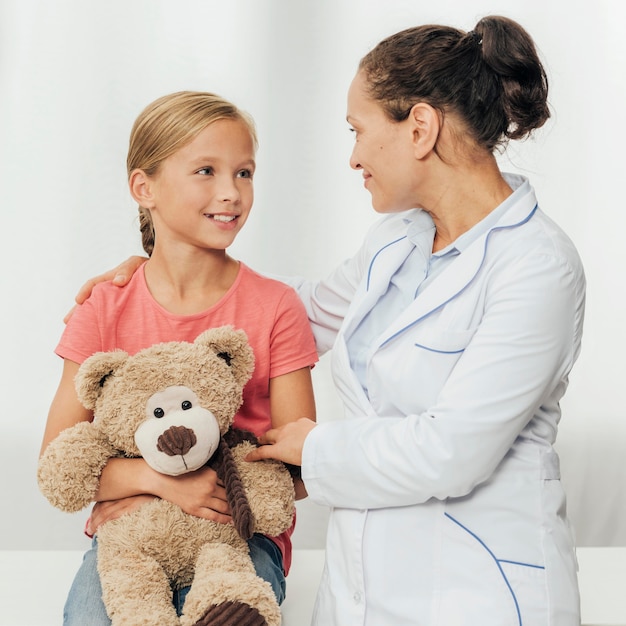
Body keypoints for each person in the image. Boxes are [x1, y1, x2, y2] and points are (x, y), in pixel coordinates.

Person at [73, 15, 586, 626]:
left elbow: (453, 450)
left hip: (482, 588)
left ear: (419, 128)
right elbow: (294, 311)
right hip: (365, 589)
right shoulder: (398, 240)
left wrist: (311, 449)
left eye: (359, 131)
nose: (353, 157)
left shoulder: (537, 267)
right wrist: (169, 267)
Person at [40, 91, 318, 625]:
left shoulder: (276, 306)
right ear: (144, 187)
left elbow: (302, 465)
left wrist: (209, 485)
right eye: (206, 171)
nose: (231, 193)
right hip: (130, 534)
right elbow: (60, 463)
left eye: (244, 173)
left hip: (239, 536)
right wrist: (160, 481)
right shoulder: (104, 306)